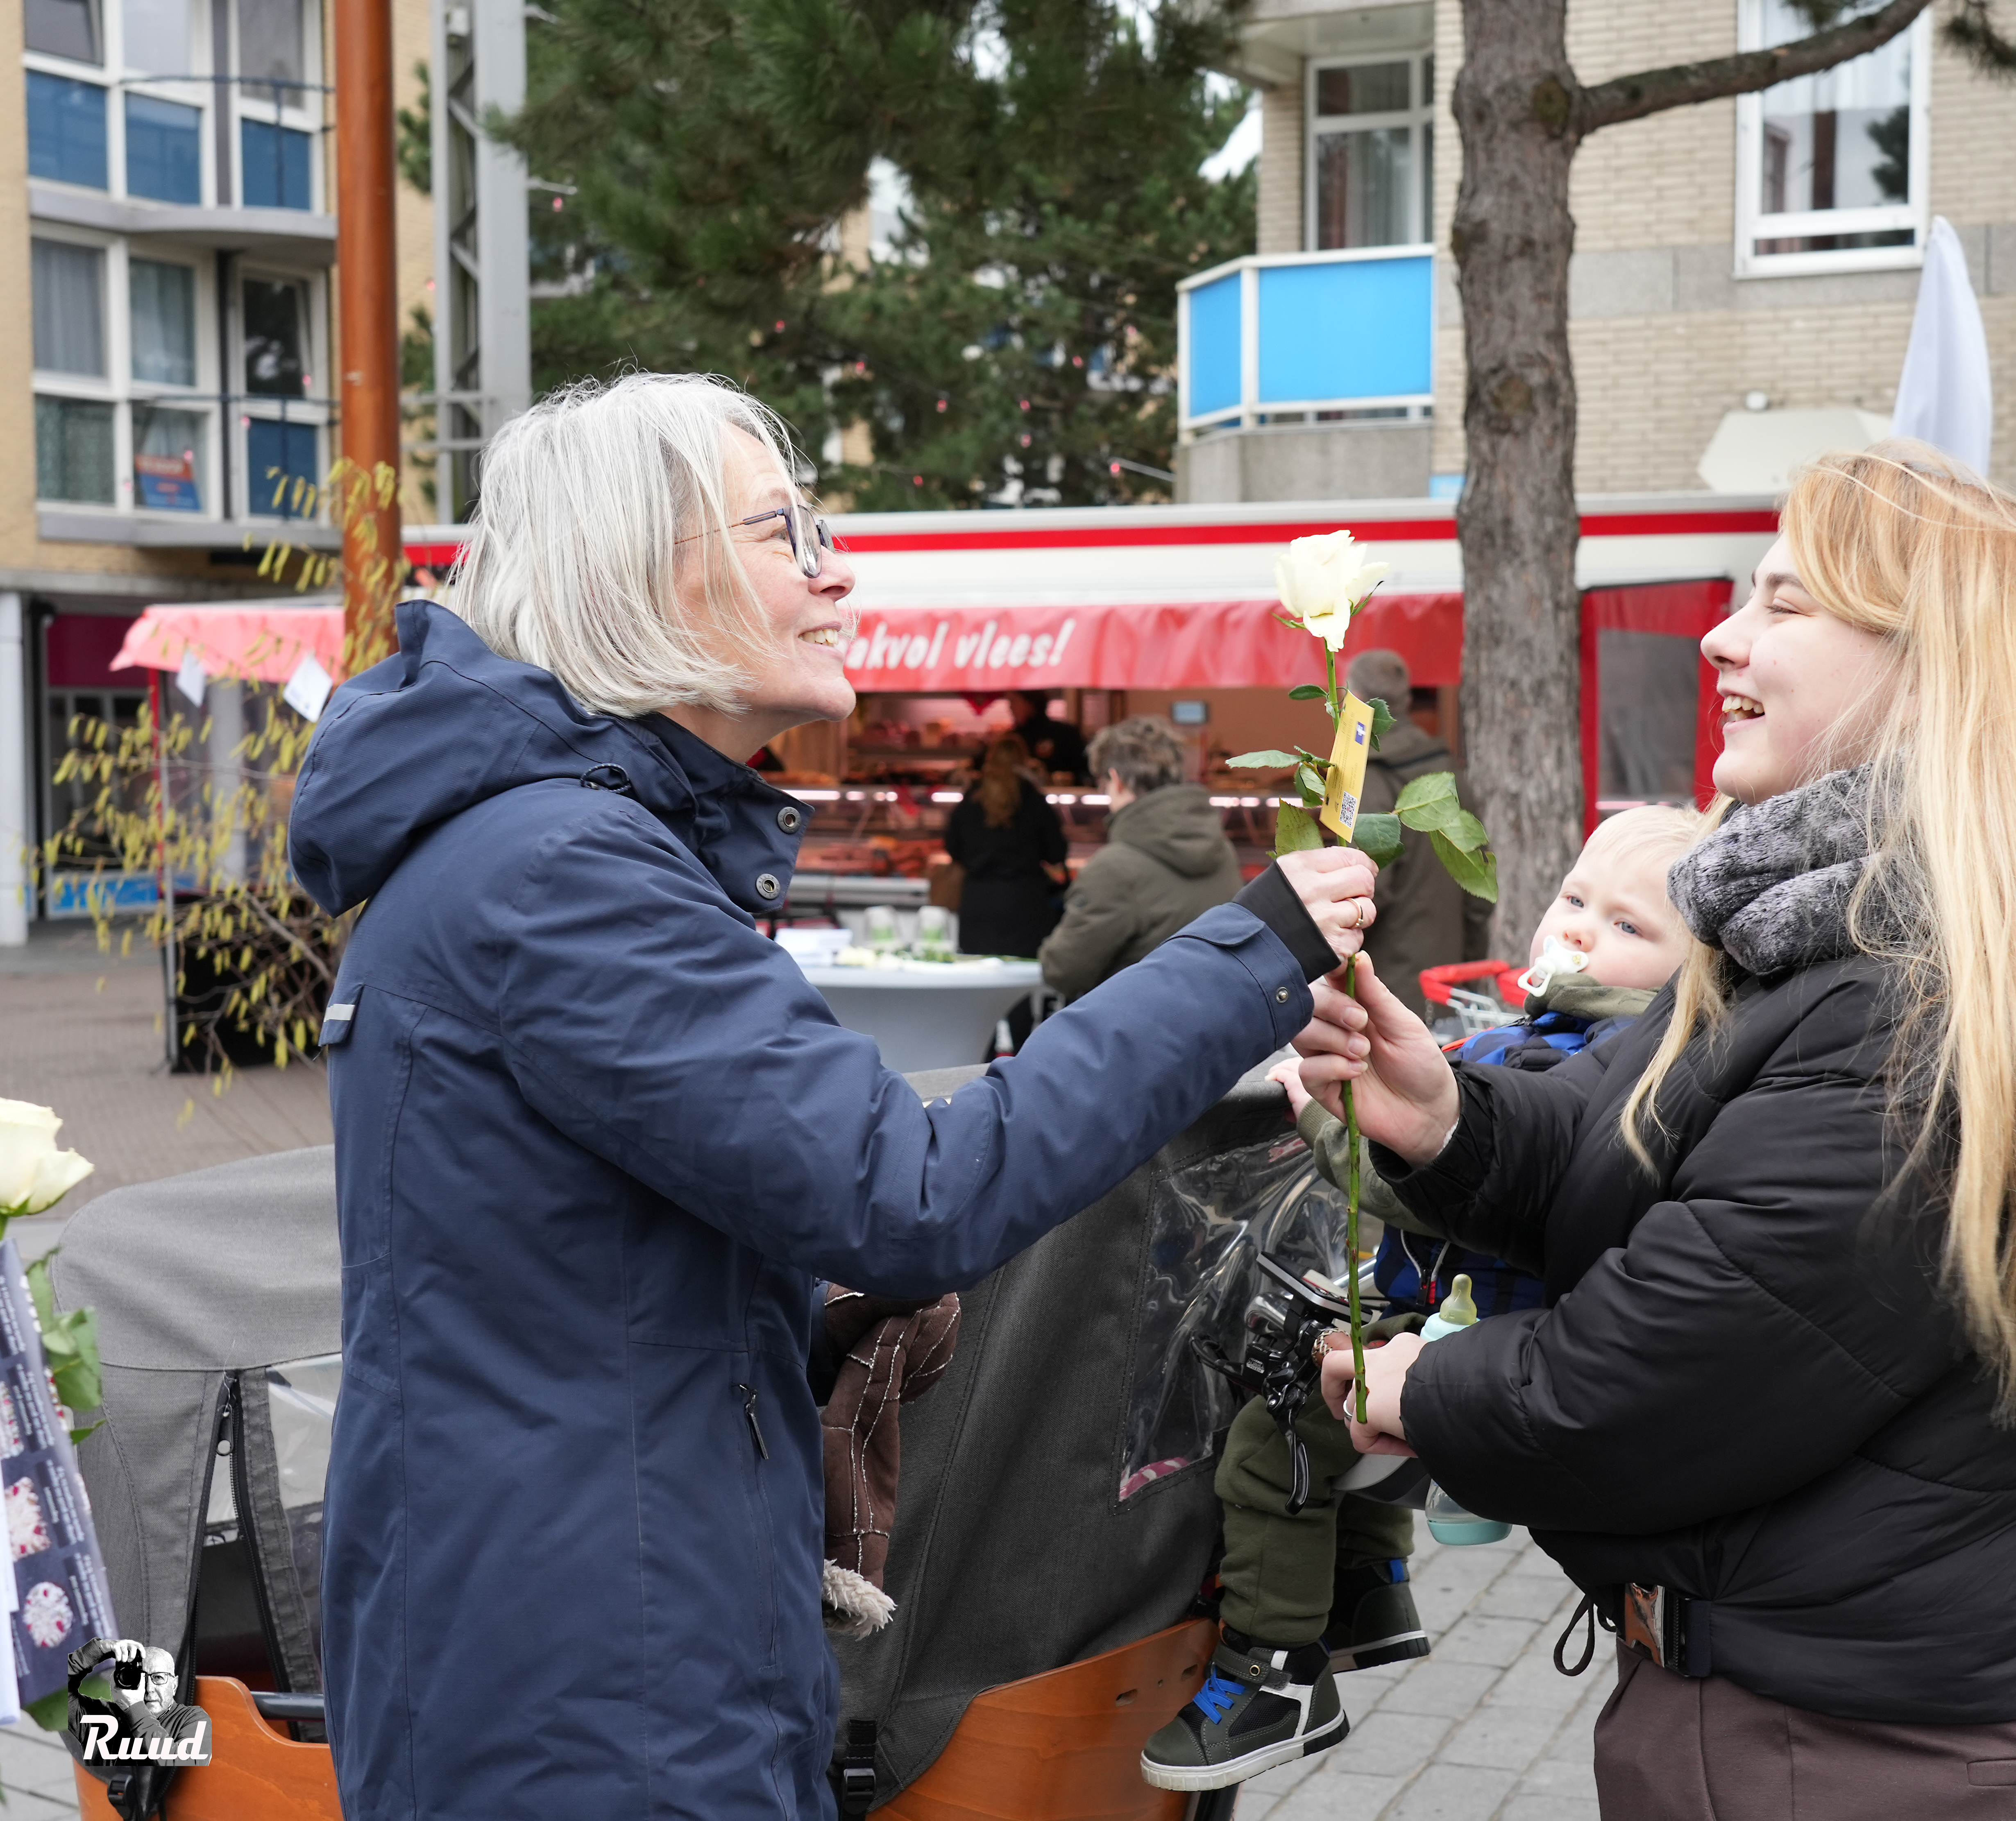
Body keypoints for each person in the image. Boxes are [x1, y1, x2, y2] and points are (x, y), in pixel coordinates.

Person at [283, 372, 1381, 1821]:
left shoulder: (537, 854)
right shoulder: (564, 875)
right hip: (601, 1699)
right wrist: (1263, 947)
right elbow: (915, 1190)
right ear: (644, 571)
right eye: (784, 529)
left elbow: (584, 1280)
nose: (837, 566)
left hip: (583, 1646)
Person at [1297, 445, 2016, 1821]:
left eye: (1786, 600)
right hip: (1832, 1703)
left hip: (1824, 1750)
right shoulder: (1834, 924)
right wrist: (1445, 1121)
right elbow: (1624, 1131)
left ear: (1930, 663)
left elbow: (1649, 1384)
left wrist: (1418, 1387)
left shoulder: (1921, 1004)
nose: (1725, 632)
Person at [1139, 804, 1698, 1793]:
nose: (1574, 930)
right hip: (1492, 1325)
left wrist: (1323, 1120)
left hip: (1496, 1340)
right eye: (1574, 900)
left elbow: (1419, 1188)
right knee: (1334, 1335)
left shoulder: (1558, 1064)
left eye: (1627, 927)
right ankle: (1369, 1592)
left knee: (1278, 1426)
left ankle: (1276, 1670)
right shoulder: (1587, 1049)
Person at [1037, 717, 1240, 1000]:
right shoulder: (1224, 851)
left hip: (1131, 1031)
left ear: (1116, 780)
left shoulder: (1113, 869)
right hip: (1215, 1025)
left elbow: (1063, 971)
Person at [1341, 650, 1493, 1014]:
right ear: (1407, 700)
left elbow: (1367, 892)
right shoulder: (1451, 776)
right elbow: (1478, 891)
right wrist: (1467, 971)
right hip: (1445, 983)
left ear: (1355, 700)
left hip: (1385, 989)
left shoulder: (1364, 778)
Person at [945, 736, 1067, 956]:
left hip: (978, 902)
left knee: (978, 977)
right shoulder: (1034, 800)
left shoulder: (971, 800)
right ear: (1025, 761)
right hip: (1025, 904)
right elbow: (1057, 852)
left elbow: (953, 847)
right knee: (1022, 983)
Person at [1009, 689, 1092, 782]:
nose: (1010, 708)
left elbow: (1084, 772)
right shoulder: (1011, 738)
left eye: (1014, 701)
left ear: (1031, 704)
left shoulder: (1064, 734)